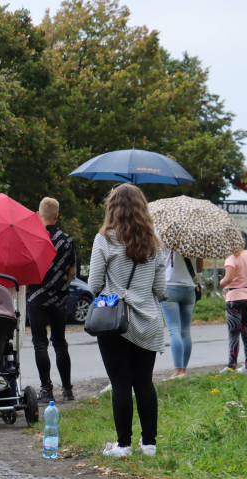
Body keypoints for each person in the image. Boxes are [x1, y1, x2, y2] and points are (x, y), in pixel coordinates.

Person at [87, 184, 166, 459]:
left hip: (115, 322)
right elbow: (161, 291)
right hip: (148, 321)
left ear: (113, 208)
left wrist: (116, 289)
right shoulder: (156, 242)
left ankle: (123, 446)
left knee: (120, 384)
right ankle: (150, 445)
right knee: (144, 382)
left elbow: (95, 283)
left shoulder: (105, 239)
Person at [25, 197, 77, 402]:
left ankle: (46, 389)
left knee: (40, 343)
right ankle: (67, 390)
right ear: (57, 216)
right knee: (60, 342)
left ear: (38, 215)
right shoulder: (67, 240)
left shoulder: (32, 238)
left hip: (37, 296)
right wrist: (63, 286)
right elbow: (71, 271)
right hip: (59, 298)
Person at [159, 250, 203, 379]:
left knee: (174, 330)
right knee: (185, 331)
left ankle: (177, 370)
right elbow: (199, 267)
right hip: (190, 287)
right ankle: (183, 370)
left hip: (169, 285)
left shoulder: (166, 237)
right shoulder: (194, 239)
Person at [219, 236, 247, 374]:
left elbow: (228, 278)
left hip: (234, 299)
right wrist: (246, 279)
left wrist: (222, 282)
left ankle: (231, 366)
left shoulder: (231, 258)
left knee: (234, 334)